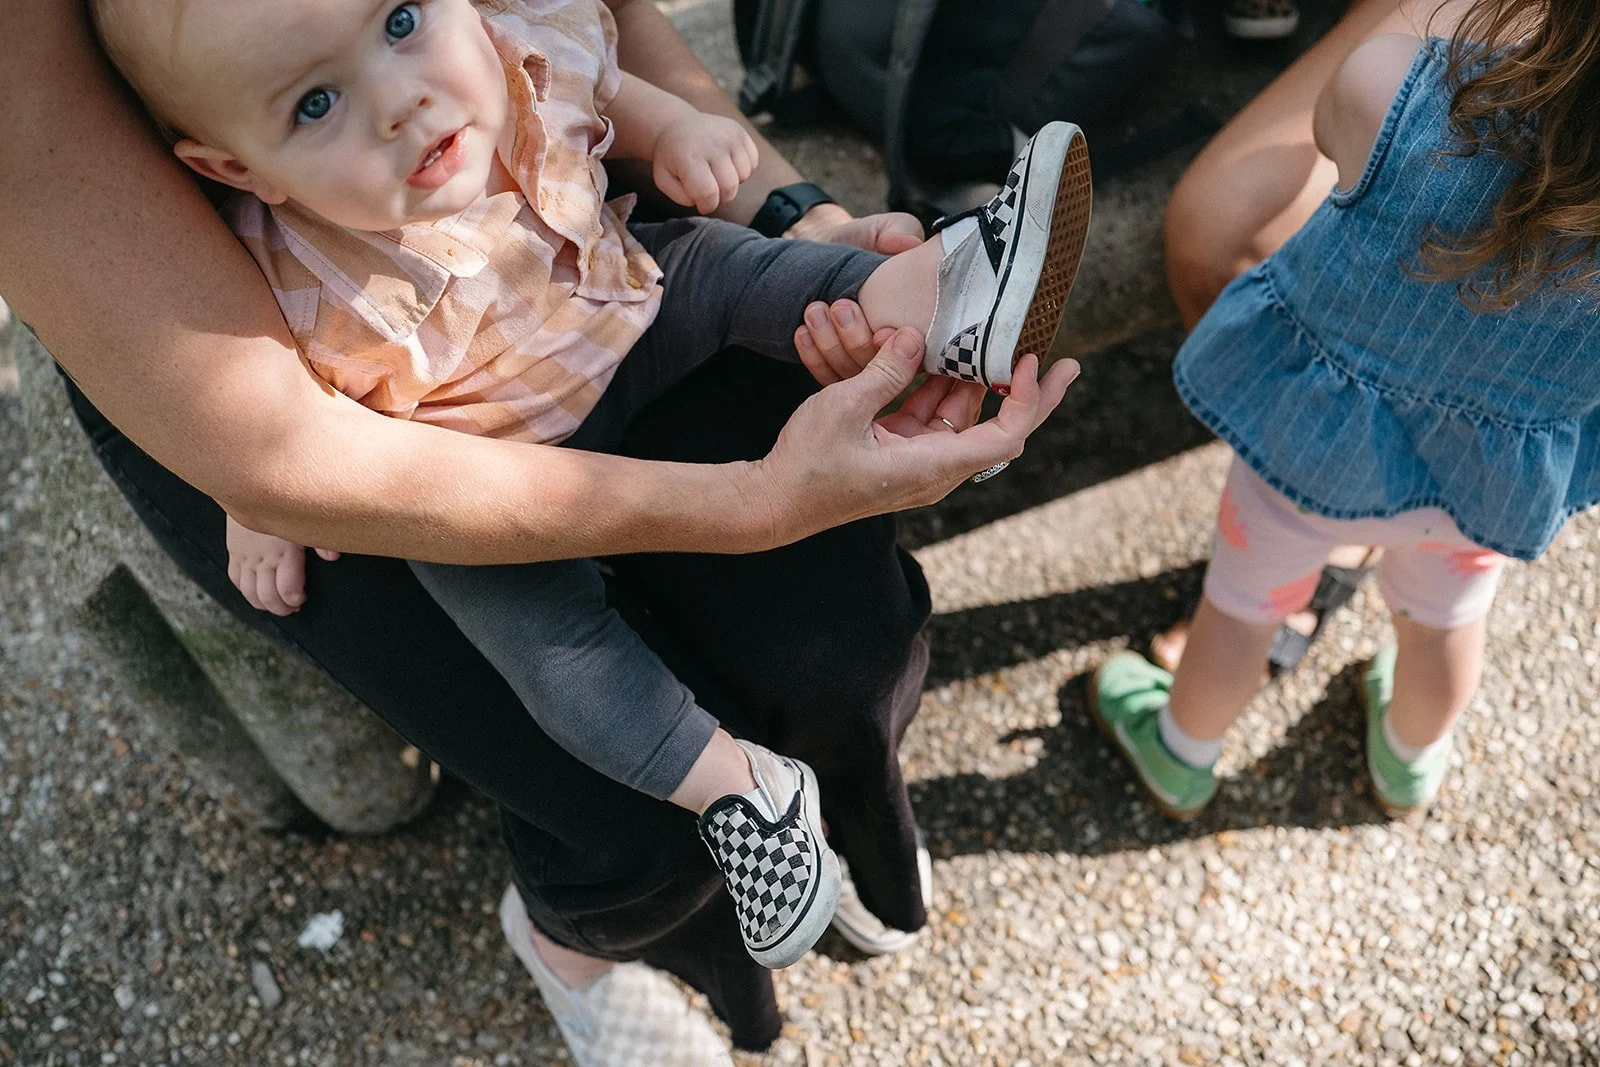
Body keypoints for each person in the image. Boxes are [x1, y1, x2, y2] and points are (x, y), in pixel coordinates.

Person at [0, 2, 1079, 1063]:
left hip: (613, 301)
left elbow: (597, 60)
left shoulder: (505, 60)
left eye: (404, 21)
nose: (403, 104)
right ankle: (715, 810)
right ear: (241, 171)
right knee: (582, 720)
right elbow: (266, 423)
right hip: (450, 444)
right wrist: (251, 496)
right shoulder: (288, 272)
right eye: (319, 101)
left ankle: (939, 295)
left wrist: (745, 173)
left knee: (833, 604)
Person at [1092, 0, 1600, 819]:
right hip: (1482, 489)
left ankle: (1179, 752)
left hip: (1310, 450)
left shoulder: (1391, 82)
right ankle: (1408, 761)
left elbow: (1332, 131)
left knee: (1241, 609)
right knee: (1445, 627)